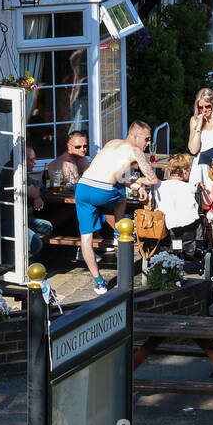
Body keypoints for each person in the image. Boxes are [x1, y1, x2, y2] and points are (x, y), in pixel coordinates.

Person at [74, 120, 159, 294]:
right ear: (136, 135)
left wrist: (135, 184)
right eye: (147, 139)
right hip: (103, 191)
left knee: (86, 237)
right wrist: (139, 182)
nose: (149, 143)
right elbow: (153, 179)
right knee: (121, 194)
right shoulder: (135, 150)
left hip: (82, 188)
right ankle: (118, 231)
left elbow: (118, 175)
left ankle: (99, 282)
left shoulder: (112, 143)